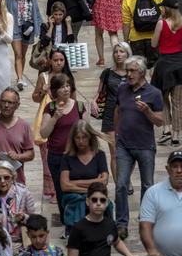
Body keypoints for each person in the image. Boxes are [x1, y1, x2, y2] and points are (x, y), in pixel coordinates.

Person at [113, 56, 164, 239]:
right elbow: (118, 111)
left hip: (145, 145)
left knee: (148, 186)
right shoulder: (122, 89)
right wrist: (116, 133)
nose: (128, 74)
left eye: (132, 71)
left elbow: (160, 122)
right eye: (127, 71)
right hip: (124, 145)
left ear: (142, 72)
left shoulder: (154, 93)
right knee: (121, 185)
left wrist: (147, 111)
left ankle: (146, 221)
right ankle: (121, 223)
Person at [39, 73, 85, 227]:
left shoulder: (79, 106)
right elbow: (44, 133)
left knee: (77, 189)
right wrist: (55, 118)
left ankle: (78, 220)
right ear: (55, 91)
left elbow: (87, 132)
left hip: (76, 156)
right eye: (61, 87)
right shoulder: (50, 108)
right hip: (56, 156)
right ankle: (67, 223)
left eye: (67, 85)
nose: (65, 89)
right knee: (61, 191)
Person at [32, 50, 77, 203]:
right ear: (50, 61)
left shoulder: (69, 79)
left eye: (61, 60)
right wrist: (42, 92)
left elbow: (74, 102)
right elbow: (35, 98)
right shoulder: (43, 77)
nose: (58, 62)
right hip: (47, 116)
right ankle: (53, 190)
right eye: (56, 59)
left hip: (66, 122)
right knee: (47, 155)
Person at [150, 4, 182, 147]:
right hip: (180, 66)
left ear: (167, 9)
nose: (161, 10)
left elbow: (154, 43)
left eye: (162, 8)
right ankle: (175, 136)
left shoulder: (161, 23)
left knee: (161, 98)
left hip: (164, 66)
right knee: (179, 103)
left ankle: (166, 128)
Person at [60, 120, 109, 232]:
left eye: (84, 137)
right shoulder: (67, 157)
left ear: (90, 137)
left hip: (94, 195)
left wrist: (74, 182)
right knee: (80, 201)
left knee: (103, 202)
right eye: (77, 138)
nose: (81, 141)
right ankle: (75, 230)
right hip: (73, 196)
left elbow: (104, 181)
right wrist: (94, 184)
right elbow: (65, 186)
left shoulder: (99, 155)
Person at [93, 42, 130, 185]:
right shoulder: (107, 73)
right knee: (114, 152)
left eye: (122, 52)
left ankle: (125, 179)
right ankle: (119, 184)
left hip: (128, 114)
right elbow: (98, 93)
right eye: (116, 52)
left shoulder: (133, 71)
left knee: (128, 152)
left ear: (127, 54)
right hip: (109, 113)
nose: (119, 54)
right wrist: (94, 102)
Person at [121, 0, 166, 69]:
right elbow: (165, 13)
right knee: (156, 68)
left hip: (136, 38)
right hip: (154, 36)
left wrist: (126, 40)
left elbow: (126, 22)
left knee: (138, 69)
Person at [6, 0, 43, 90]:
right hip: (15, 28)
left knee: (23, 55)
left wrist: (41, 27)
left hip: (28, 29)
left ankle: (19, 76)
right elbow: (5, 12)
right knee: (17, 54)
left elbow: (36, 12)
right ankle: (20, 79)